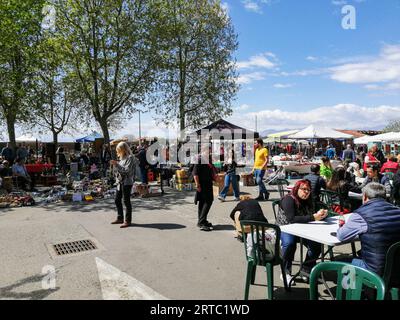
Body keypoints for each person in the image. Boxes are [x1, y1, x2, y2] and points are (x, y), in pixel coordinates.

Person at [337, 183, 400, 276]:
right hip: (397, 269)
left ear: (365, 197)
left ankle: (352, 290)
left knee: (341, 262)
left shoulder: (361, 215)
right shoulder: (397, 211)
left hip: (376, 272)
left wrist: (341, 226)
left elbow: (341, 236)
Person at [277, 180, 328, 283]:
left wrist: (322, 215)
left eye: (308, 190)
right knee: (289, 244)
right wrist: (314, 217)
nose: (306, 192)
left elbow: (311, 215)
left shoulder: (309, 200)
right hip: (286, 228)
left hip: (303, 228)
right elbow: (292, 219)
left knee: (316, 245)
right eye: (303, 189)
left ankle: (306, 269)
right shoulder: (289, 199)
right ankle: (285, 271)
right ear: (297, 189)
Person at [110, 142, 136, 228]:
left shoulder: (130, 158)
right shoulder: (122, 158)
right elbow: (120, 170)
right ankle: (120, 218)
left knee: (126, 201)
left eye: (119, 150)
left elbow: (127, 171)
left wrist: (116, 165)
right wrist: (115, 167)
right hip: (120, 182)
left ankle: (127, 221)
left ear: (123, 149)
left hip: (127, 182)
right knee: (117, 200)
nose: (117, 152)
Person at [193, 147, 216, 232]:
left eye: (209, 150)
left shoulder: (207, 159)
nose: (209, 151)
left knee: (203, 202)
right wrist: (197, 185)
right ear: (202, 151)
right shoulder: (199, 159)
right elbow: (195, 174)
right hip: (202, 184)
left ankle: (202, 220)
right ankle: (201, 222)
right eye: (207, 150)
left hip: (208, 183)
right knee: (208, 201)